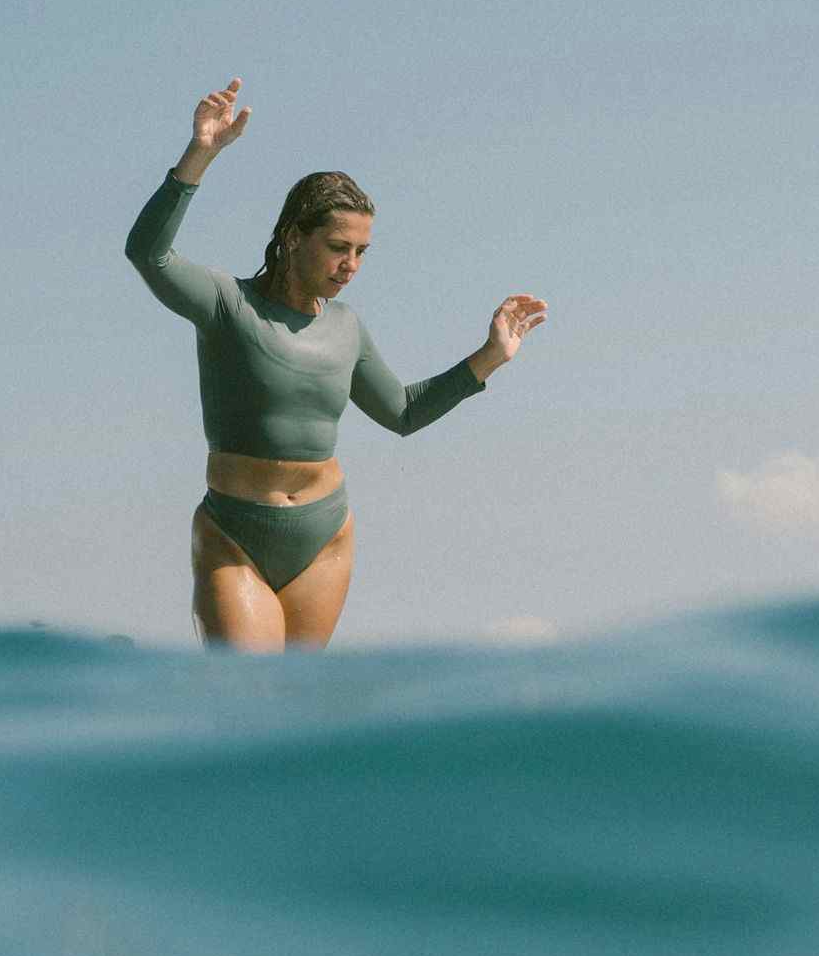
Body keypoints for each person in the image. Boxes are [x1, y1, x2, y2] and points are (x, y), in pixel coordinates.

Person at [125, 77, 546, 651]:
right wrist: (202, 152)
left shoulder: (345, 326)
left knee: (296, 717)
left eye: (361, 252)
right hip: (235, 534)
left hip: (324, 536)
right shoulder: (228, 304)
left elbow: (401, 412)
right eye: (338, 247)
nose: (350, 265)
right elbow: (148, 254)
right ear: (295, 238)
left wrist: (492, 356)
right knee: (248, 696)